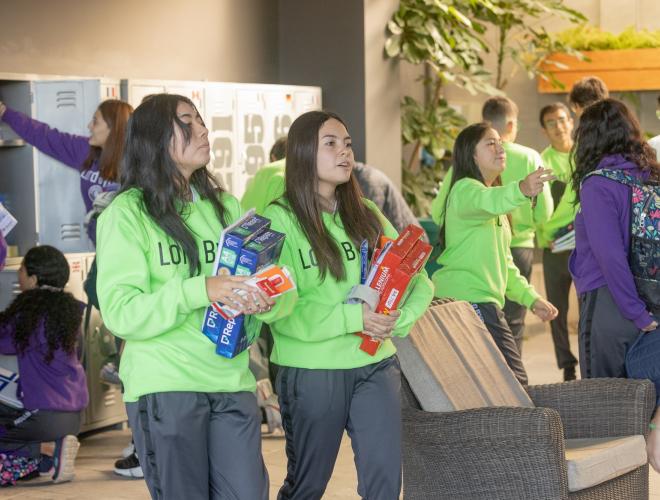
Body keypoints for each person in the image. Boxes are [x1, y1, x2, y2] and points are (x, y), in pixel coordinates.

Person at [96, 94, 273, 500]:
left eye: (201, 120)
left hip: (231, 381)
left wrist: (263, 301)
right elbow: (121, 313)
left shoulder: (225, 206)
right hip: (166, 383)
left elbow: (254, 280)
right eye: (187, 122)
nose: (203, 130)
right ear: (155, 137)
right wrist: (200, 289)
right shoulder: (127, 214)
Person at [258, 110, 434, 499]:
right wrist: (354, 317)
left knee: (384, 483)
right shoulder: (280, 220)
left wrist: (398, 318)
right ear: (304, 152)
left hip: (376, 365)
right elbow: (283, 312)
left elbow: (417, 277)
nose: (345, 152)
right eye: (331, 144)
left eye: (348, 144)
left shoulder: (366, 213)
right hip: (312, 371)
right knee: (307, 485)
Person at [432, 122, 558, 385]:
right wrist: (522, 189)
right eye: (490, 143)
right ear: (471, 155)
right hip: (467, 302)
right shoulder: (464, 190)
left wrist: (532, 299)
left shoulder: (492, 205)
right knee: (514, 381)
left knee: (489, 384)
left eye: (500, 142)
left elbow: (505, 265)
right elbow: (487, 200)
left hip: (478, 302)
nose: (500, 148)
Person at [569, 98, 658, 379]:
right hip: (652, 297)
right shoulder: (651, 176)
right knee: (645, 396)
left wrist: (635, 312)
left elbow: (609, 256)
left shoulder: (597, 184)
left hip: (611, 302)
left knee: (604, 398)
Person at [0, 245, 88, 485]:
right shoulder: (69, 315)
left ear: (33, 278)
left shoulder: (29, 316)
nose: (18, 274)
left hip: (44, 415)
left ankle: (47, 448)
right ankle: (47, 461)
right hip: (73, 417)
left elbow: (4, 340)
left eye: (21, 269)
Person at [0, 99, 133, 245]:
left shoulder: (135, 164)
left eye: (95, 122)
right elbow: (45, 136)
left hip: (127, 245)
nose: (89, 126)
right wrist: (5, 113)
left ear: (114, 128)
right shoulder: (86, 151)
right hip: (102, 245)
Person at [481, 97, 553, 354]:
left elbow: (439, 209)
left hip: (483, 249)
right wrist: (530, 224)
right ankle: (512, 374)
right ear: (511, 124)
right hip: (520, 246)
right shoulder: (529, 156)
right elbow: (544, 211)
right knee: (513, 323)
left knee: (483, 322)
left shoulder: (473, 157)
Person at [536, 103, 580, 381]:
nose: (558, 126)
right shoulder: (541, 162)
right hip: (554, 247)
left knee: (590, 307)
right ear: (544, 130)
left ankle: (590, 358)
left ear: (571, 122)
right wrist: (547, 238)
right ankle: (567, 366)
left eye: (562, 120)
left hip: (585, 245)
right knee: (557, 310)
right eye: (551, 123)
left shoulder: (586, 154)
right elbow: (537, 209)